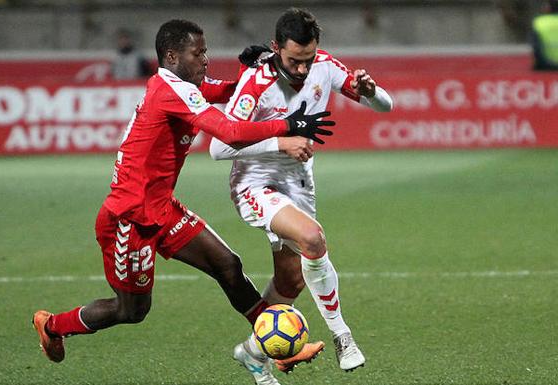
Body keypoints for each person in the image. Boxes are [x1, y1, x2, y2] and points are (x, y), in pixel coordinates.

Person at [31, 19, 334, 369]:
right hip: (129, 218)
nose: (205, 59)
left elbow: (227, 92)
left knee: (228, 266)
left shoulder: (182, 85)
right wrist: (287, 124)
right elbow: (231, 132)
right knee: (132, 310)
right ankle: (53, 325)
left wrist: (252, 71)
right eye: (198, 52)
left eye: (205, 51)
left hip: (160, 208)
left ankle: (279, 346)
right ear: (173, 55)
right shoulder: (170, 91)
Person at [209, 8, 393, 385]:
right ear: (276, 48)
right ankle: (343, 336)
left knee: (290, 283)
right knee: (313, 238)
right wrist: (281, 142)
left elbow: (384, 106)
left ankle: (253, 354)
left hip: (298, 183)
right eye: (294, 61)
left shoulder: (324, 66)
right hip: (255, 183)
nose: (302, 70)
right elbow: (218, 148)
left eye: (308, 60)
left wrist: (373, 92)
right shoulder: (255, 83)